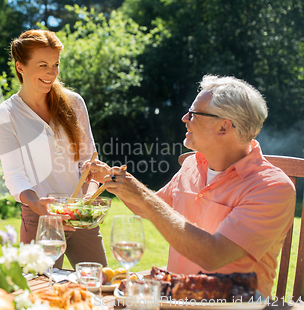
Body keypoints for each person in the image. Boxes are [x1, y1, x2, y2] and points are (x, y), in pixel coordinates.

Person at [86, 75, 295, 297]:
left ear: (224, 127)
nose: (185, 118)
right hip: (177, 296)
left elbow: (213, 255)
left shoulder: (272, 187)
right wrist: (111, 178)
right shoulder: (192, 165)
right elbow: (148, 208)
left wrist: (141, 195)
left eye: (194, 114)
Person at [0, 29, 107, 268]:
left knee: (97, 288)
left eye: (55, 64)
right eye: (43, 64)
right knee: (40, 294)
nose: (51, 73)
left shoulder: (74, 103)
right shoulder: (7, 114)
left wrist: (87, 198)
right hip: (39, 218)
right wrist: (37, 205)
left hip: (80, 216)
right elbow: (14, 176)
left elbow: (89, 162)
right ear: (20, 67)